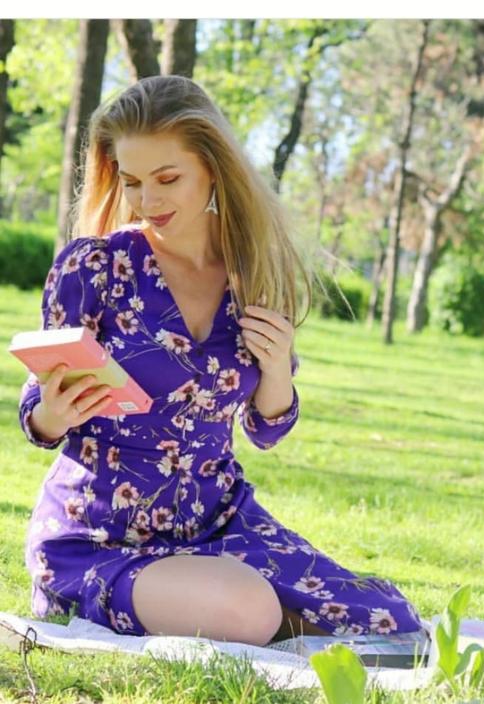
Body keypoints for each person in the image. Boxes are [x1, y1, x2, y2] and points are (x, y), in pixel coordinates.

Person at [18, 75, 425, 647]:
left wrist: (276, 367)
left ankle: (262, 614)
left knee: (392, 619)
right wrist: (52, 415)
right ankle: (249, 614)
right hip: (100, 534)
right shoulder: (93, 267)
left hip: (220, 523)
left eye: (168, 179)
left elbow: (266, 429)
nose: (148, 201)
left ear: (212, 167)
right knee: (246, 610)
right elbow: (36, 410)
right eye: (132, 182)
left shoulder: (254, 272)